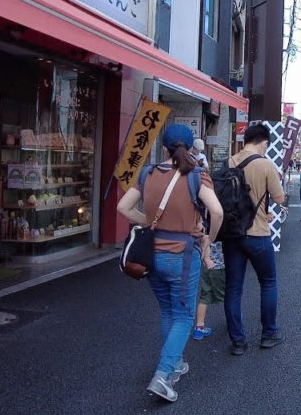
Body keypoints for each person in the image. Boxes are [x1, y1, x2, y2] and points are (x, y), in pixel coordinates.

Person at [116, 124, 224, 402]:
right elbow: (216, 211)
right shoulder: (196, 175)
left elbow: (123, 208)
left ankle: (174, 363)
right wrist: (208, 239)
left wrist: (152, 223)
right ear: (190, 148)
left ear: (164, 147)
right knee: (185, 316)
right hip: (182, 256)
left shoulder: (148, 173)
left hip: (152, 255)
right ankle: (163, 375)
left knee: (168, 310)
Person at [224, 122, 287, 356]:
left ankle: (238, 341)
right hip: (258, 234)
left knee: (233, 288)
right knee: (268, 282)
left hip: (232, 235)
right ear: (263, 142)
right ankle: (269, 334)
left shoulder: (229, 162)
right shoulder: (265, 165)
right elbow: (279, 198)